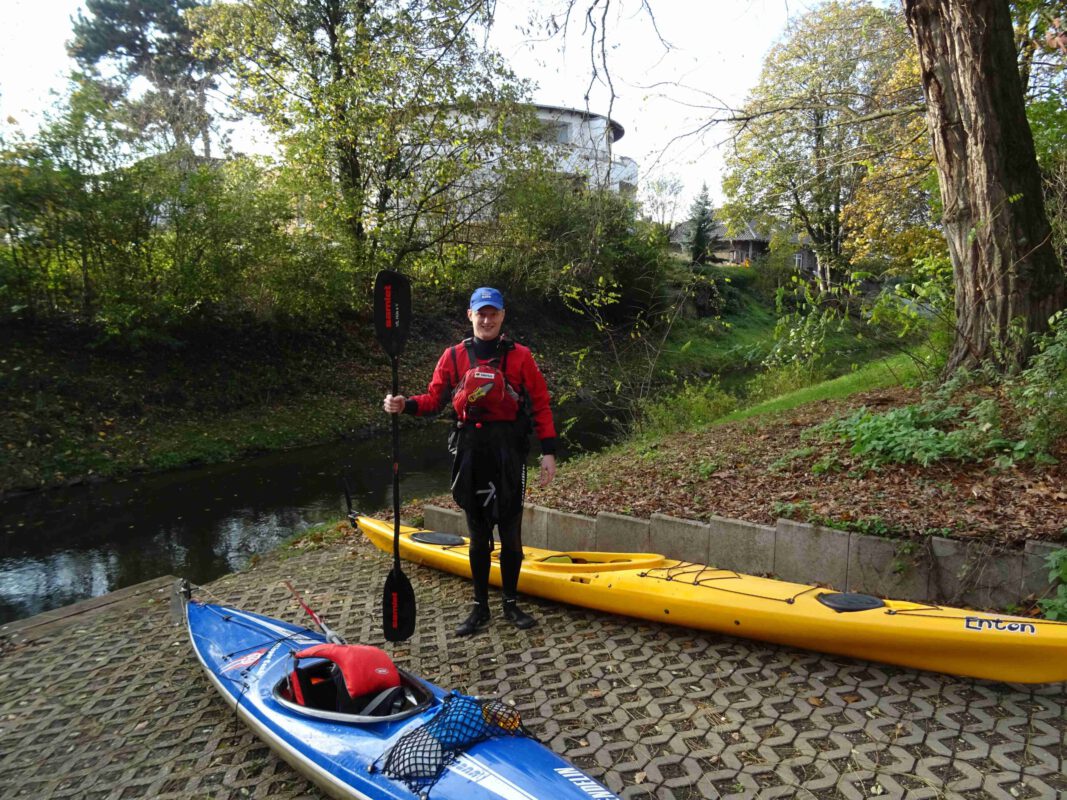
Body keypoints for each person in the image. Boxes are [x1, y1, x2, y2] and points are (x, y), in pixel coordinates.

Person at [383, 287, 557, 636]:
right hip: (471, 452)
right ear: (470, 315)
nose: (487, 319)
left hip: (509, 452)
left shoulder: (521, 357)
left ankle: (510, 602)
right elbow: (434, 399)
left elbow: (540, 404)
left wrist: (548, 452)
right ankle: (480, 607)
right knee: (478, 537)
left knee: (511, 535)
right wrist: (406, 405)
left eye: (494, 313)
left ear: (503, 316)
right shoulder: (453, 356)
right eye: (482, 313)